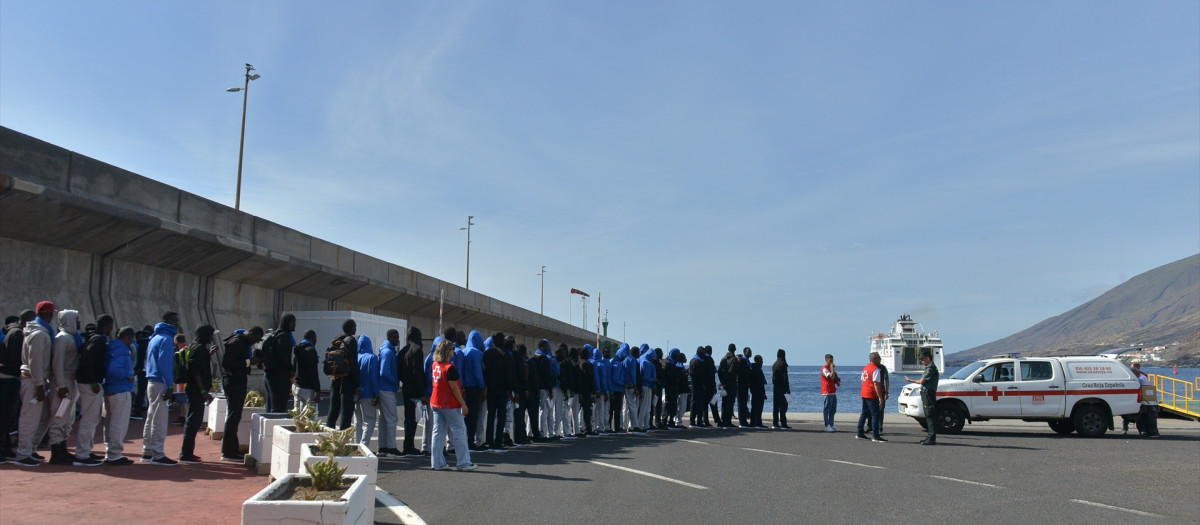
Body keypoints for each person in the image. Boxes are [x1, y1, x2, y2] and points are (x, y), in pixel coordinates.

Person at [14, 302, 56, 467]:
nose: (52, 316)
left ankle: (29, 449)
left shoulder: (41, 332)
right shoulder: (39, 334)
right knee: (30, 418)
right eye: (51, 313)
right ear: (47, 314)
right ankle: (23, 453)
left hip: (36, 379)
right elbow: (35, 361)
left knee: (42, 417)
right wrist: (39, 384)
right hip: (32, 379)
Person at [428, 339, 476, 471]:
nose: (453, 351)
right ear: (448, 351)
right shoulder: (450, 368)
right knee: (459, 430)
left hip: (436, 402)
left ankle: (436, 462)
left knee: (438, 432)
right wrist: (463, 404)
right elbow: (454, 388)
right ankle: (463, 462)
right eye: (452, 349)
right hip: (449, 404)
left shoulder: (435, 364)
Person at [142, 312, 181, 465]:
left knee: (151, 417)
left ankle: (148, 450)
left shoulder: (155, 338)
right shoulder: (166, 340)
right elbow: (164, 364)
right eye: (176, 321)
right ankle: (158, 453)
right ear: (171, 322)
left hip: (152, 381)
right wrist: (170, 385)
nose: (178, 323)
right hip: (161, 382)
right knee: (160, 419)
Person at [74, 314, 113, 465]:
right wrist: (93, 382)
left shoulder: (94, 337)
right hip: (90, 383)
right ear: (108, 325)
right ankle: (82, 454)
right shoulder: (98, 339)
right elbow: (87, 361)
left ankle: (86, 451)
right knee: (89, 418)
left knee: (93, 417)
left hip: (90, 381)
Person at [220, 325, 263, 461]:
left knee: (235, 416)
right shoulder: (237, 342)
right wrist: (249, 362)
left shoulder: (241, 342)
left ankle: (232, 448)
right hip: (234, 382)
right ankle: (228, 452)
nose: (255, 342)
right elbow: (227, 363)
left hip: (235, 381)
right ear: (251, 334)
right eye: (256, 339)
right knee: (233, 416)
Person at [47, 310, 84, 465]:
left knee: (68, 417)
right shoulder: (62, 339)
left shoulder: (73, 337)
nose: (79, 322)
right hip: (64, 382)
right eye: (76, 319)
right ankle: (56, 451)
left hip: (71, 380)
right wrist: (61, 386)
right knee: (59, 416)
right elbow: (57, 363)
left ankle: (63, 448)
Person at [1, 311, 35, 462]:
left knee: (7, 416)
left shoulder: (12, 332)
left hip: (8, 377)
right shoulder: (17, 334)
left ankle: (5, 447)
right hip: (9, 378)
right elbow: (17, 359)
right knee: (5, 415)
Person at [180, 325, 216, 463]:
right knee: (193, 421)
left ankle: (187, 452)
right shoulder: (200, 349)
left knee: (193, 421)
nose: (212, 337)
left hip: (195, 390)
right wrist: (203, 392)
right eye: (211, 334)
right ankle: (186, 453)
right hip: (196, 391)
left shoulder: (196, 347)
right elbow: (196, 372)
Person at [102, 326, 137, 466]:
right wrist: (128, 376)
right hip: (120, 389)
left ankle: (110, 451)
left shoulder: (112, 347)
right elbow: (115, 369)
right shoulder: (122, 350)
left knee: (110, 422)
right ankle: (114, 453)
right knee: (119, 423)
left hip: (111, 389)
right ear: (128, 337)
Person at [326, 320, 360, 430]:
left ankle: (328, 434)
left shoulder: (336, 339)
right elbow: (353, 363)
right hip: (348, 381)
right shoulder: (351, 341)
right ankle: (343, 441)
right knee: (346, 413)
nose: (355, 329)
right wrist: (357, 383)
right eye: (354, 327)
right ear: (350, 328)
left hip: (336, 378)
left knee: (333, 410)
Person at [398, 326, 425, 456]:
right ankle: (409, 446)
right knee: (414, 419)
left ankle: (407, 445)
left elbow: (399, 372)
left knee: (407, 418)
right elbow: (418, 374)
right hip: (415, 390)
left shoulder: (403, 351)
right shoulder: (417, 350)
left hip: (405, 388)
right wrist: (422, 393)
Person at [261, 314, 296, 413]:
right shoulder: (284, 336)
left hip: (269, 374)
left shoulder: (275, 334)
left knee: (270, 406)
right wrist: (291, 369)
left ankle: (267, 428)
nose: (294, 325)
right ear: (287, 323)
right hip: (279, 376)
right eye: (292, 322)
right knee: (278, 408)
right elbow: (282, 357)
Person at [459, 330, 486, 451]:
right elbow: (478, 373)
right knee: (474, 416)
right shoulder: (476, 353)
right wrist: (483, 387)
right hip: (475, 388)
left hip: (465, 388)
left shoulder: (464, 351)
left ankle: (464, 441)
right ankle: (471, 442)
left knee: (466, 416)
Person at [482, 333, 510, 451]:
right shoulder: (507, 355)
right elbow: (509, 375)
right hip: (502, 389)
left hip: (490, 389)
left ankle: (489, 441)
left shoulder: (487, 354)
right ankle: (498, 442)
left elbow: (484, 372)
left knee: (491, 415)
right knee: (501, 417)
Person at [905, 349, 938, 445]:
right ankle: (929, 436)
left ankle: (931, 438)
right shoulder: (929, 367)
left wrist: (910, 380)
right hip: (926, 393)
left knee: (929, 415)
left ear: (928, 358)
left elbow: (922, 381)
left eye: (922, 359)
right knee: (928, 415)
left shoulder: (930, 368)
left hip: (928, 393)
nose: (921, 361)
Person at [377, 330, 401, 457]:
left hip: (383, 388)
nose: (397, 339)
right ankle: (392, 448)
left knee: (383, 419)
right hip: (387, 388)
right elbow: (384, 372)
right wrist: (395, 382)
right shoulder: (388, 352)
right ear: (390, 337)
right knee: (392, 418)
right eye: (395, 337)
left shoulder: (385, 350)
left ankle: (383, 447)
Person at [354, 334, 380, 450]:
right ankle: (364, 447)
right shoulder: (372, 358)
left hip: (356, 393)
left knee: (357, 421)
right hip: (368, 393)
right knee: (369, 421)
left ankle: (356, 444)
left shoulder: (355, 357)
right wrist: (376, 393)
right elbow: (373, 377)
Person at [856, 352, 886, 442]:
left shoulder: (865, 368)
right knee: (875, 414)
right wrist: (880, 397)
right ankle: (875, 435)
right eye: (879, 358)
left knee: (864, 413)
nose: (880, 360)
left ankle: (860, 432)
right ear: (875, 359)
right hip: (871, 394)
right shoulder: (875, 369)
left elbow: (862, 380)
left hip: (864, 393)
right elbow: (876, 384)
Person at [292, 330, 321, 412]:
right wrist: (317, 390)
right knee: (307, 417)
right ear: (313, 338)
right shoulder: (311, 351)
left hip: (297, 386)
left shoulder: (298, 349)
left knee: (296, 414)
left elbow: (294, 367)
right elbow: (314, 372)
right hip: (307, 388)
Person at [1132, 361, 1160, 438]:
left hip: (1146, 401)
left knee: (1146, 417)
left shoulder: (1140, 379)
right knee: (1150, 417)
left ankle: (1148, 431)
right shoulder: (1144, 377)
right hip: (1150, 399)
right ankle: (1151, 431)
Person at [688, 346, 710, 428]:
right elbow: (700, 375)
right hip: (699, 385)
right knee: (699, 403)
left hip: (694, 384)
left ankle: (692, 421)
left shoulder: (692, 360)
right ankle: (699, 422)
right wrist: (703, 384)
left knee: (694, 402)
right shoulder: (698, 362)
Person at [717, 344, 739, 427]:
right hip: (731, 383)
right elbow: (731, 371)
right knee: (730, 402)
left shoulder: (723, 358)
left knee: (724, 402)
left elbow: (719, 371)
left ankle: (723, 420)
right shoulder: (734, 359)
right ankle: (728, 421)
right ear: (735, 349)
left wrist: (722, 382)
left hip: (724, 384)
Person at [591, 345, 610, 433]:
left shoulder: (591, 363)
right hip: (601, 391)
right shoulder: (602, 365)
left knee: (593, 410)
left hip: (592, 390)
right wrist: (605, 391)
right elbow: (603, 380)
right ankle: (601, 426)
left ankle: (592, 426)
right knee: (601, 410)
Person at [820, 354, 840, 432]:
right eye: (830, 360)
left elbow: (834, 377)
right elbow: (830, 376)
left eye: (832, 360)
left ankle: (831, 424)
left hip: (833, 391)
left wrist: (837, 381)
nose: (832, 362)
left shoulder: (829, 369)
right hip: (827, 391)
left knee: (833, 409)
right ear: (826, 360)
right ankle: (827, 425)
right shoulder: (824, 369)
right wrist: (832, 369)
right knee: (827, 409)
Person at [772, 349, 791, 429]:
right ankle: (783, 423)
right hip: (782, 388)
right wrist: (787, 388)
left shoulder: (774, 364)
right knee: (783, 406)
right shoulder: (783, 364)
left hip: (775, 387)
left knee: (776, 406)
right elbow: (785, 377)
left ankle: (775, 423)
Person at [749, 355, 767, 428]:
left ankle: (753, 422)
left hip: (753, 390)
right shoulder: (758, 370)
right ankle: (758, 422)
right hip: (758, 391)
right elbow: (760, 383)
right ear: (758, 360)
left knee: (754, 407)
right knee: (759, 407)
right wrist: (763, 393)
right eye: (761, 360)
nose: (762, 362)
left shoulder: (752, 368)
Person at [736, 347, 753, 427]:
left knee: (743, 402)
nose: (750, 353)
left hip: (744, 385)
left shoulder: (747, 361)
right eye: (749, 352)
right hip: (742, 384)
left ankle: (744, 419)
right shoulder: (744, 360)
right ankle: (742, 421)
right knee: (742, 403)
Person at [877, 360, 890, 433]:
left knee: (880, 410)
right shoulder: (870, 367)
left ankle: (879, 427)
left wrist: (886, 392)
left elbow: (887, 380)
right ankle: (870, 426)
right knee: (870, 410)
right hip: (872, 392)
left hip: (881, 391)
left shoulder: (882, 368)